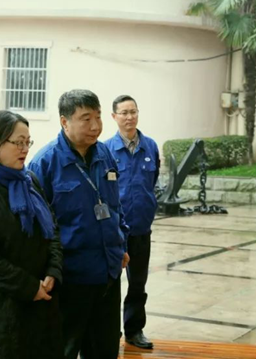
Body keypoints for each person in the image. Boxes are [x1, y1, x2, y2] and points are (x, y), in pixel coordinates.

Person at [28, 89, 129, 359]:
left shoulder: (105, 154)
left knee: (105, 348)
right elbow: (37, 227)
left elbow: (116, 205)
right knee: (64, 348)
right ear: (65, 122)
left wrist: (121, 242)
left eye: (98, 117)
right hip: (70, 278)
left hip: (108, 273)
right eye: (86, 119)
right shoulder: (44, 163)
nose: (95, 126)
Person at [0, 110, 63, 358]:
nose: (25, 149)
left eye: (28, 142)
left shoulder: (29, 180)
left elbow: (52, 229)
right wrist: (30, 287)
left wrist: (53, 270)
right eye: (18, 142)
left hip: (42, 300)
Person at [104, 95, 159, 350]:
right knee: (110, 283)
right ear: (114, 116)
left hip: (141, 228)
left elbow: (152, 182)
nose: (129, 117)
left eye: (133, 111)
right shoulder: (106, 150)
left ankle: (134, 330)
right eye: (124, 112)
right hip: (114, 230)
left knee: (138, 283)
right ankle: (108, 331)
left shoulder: (150, 147)